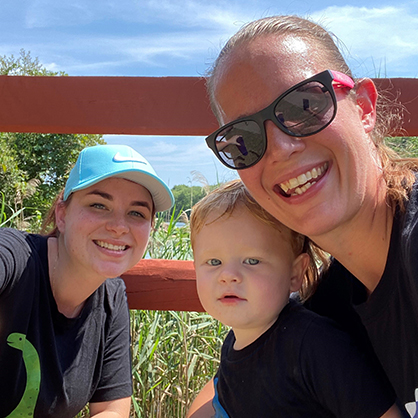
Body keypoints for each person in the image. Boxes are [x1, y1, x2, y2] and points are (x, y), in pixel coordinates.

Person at [200, 14, 418, 416]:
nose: (281, 147)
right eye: (244, 139)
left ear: (365, 108)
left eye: (304, 105)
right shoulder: (327, 316)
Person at [187, 179, 402, 418]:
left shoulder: (315, 346)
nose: (228, 276)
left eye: (252, 261)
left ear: (295, 273)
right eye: (214, 262)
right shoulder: (235, 342)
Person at [0, 144, 174, 417]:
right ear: (62, 214)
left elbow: (112, 409)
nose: (119, 226)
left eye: (137, 213)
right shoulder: (15, 257)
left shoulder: (111, 296)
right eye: (98, 205)